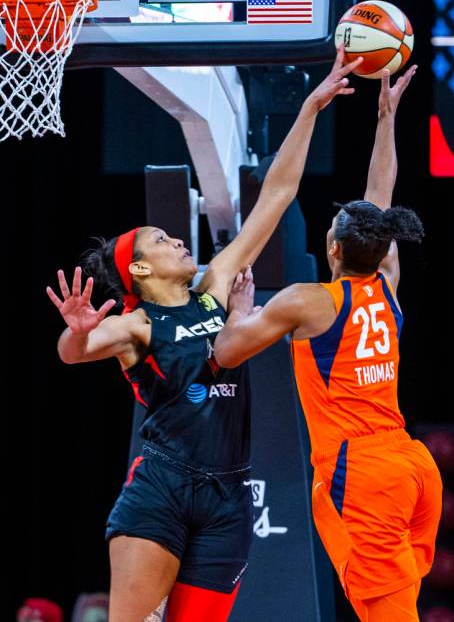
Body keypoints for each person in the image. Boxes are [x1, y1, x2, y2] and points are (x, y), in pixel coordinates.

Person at [46, 48, 363, 622]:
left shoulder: (213, 288)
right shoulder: (136, 324)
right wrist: (76, 332)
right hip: (161, 488)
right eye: (162, 240)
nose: (177, 241)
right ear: (140, 270)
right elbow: (75, 354)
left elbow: (277, 196)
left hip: (228, 495)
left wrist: (312, 108)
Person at [214, 66, 443, 622]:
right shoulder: (386, 284)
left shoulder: (311, 301)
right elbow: (380, 200)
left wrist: (241, 312)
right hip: (413, 466)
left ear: (333, 248)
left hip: (362, 475)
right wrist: (386, 118)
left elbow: (223, 354)